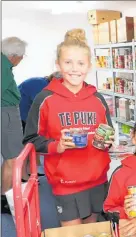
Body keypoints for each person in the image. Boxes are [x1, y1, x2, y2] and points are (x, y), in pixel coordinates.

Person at [23, 29, 114, 226]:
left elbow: (107, 134)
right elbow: (31, 139)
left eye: (81, 63)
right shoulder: (45, 98)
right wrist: (58, 146)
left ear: (89, 66)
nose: (74, 69)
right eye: (68, 63)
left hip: (97, 179)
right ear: (58, 64)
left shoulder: (97, 99)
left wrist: (106, 142)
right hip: (66, 183)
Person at [1, 37, 28, 214]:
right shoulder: (3, 67)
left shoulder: (4, 64)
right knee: (13, 159)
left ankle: (3, 193)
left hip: (6, 112)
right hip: (6, 113)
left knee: (8, 158)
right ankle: (5, 198)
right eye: (21, 56)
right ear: (13, 55)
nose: (22, 59)